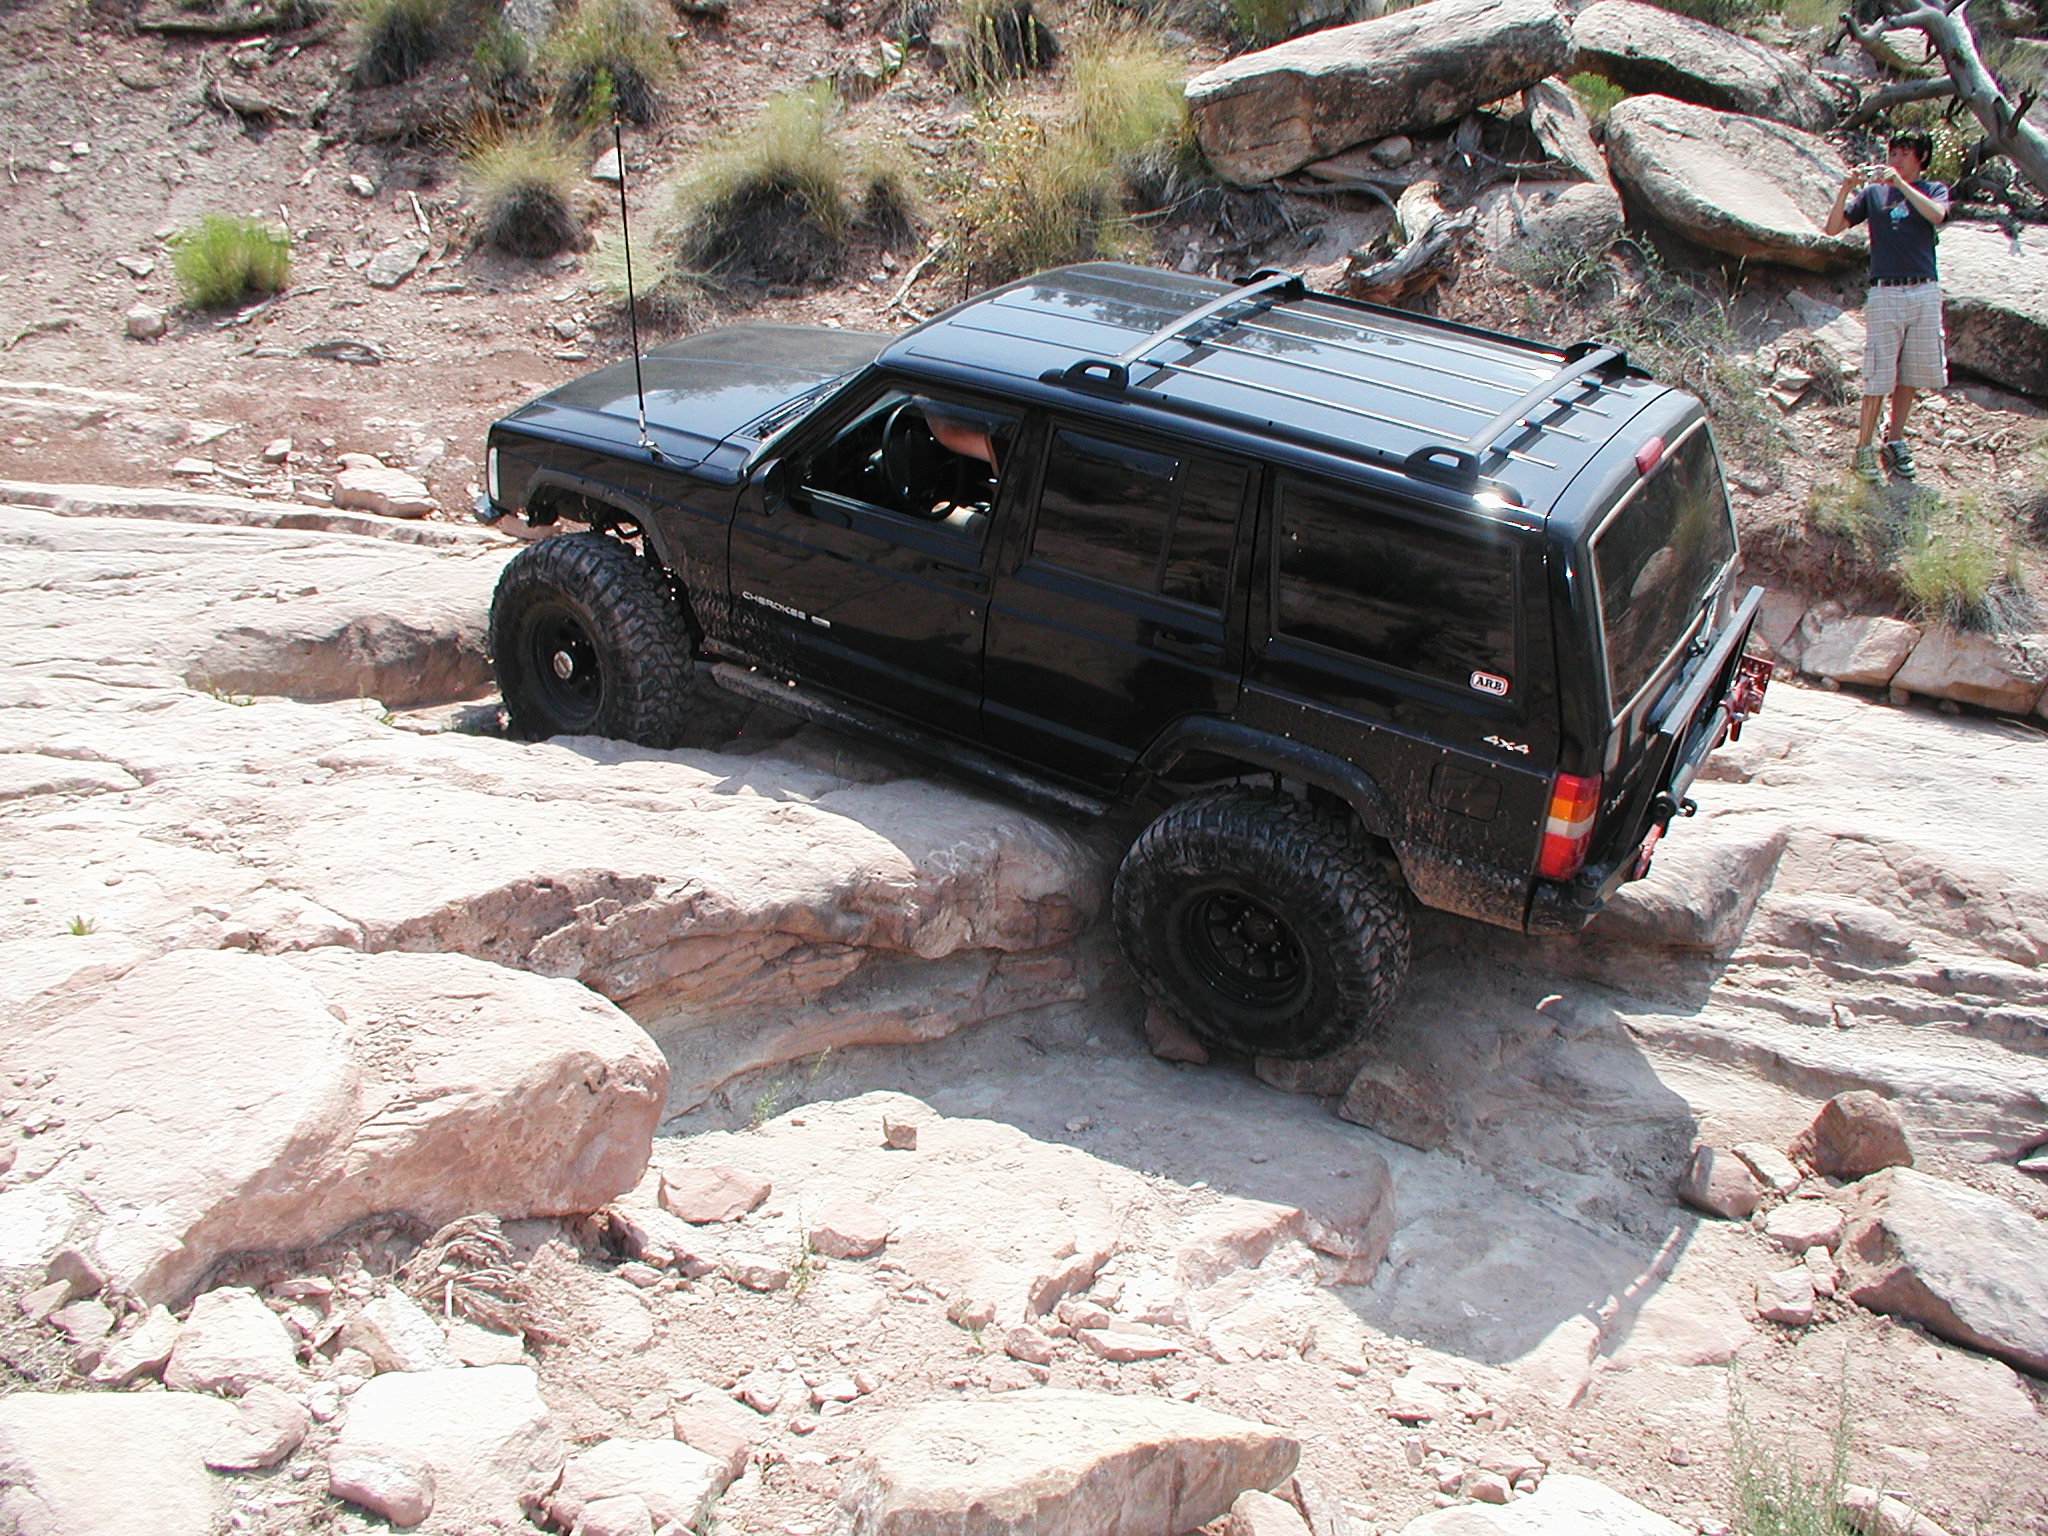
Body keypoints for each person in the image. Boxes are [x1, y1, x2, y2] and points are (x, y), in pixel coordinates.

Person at [1824, 129, 1950, 484]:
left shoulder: (1933, 189)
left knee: (1911, 373)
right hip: (1885, 290)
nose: (1895, 159)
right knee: (1878, 370)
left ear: (1922, 158)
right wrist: (1846, 189)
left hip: (1923, 288)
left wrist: (1902, 185)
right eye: (1893, 153)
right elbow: (1833, 228)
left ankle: (1894, 439)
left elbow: (1937, 215)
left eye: (1904, 153)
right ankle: (1863, 447)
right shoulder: (1873, 194)